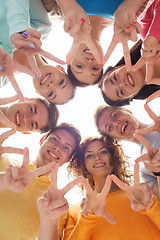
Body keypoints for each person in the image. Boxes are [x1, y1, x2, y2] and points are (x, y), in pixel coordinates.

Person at [37, 136, 160, 240]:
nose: (97, 157)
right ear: (83, 164)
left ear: (113, 156)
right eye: (89, 156)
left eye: (103, 152)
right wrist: (87, 219)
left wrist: (152, 207)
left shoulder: (143, 194)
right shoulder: (76, 210)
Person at [0, 122, 81, 240]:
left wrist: (49, 219)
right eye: (54, 139)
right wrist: (4, 180)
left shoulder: (56, 203)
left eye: (66, 148)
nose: (57, 147)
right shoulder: (5, 162)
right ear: (42, 140)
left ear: (68, 159)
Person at [41, 0, 146, 87]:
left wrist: (66, 3)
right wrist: (132, 4)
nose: (88, 62)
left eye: (79, 66)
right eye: (95, 68)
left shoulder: (56, 9)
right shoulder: (129, 18)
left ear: (69, 57)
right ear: (103, 62)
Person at [99, 0, 160, 107]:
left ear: (119, 67)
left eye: (115, 78)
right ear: (134, 95)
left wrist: (153, 38)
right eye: (122, 92)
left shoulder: (144, 30)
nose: (122, 83)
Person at [95, 104, 160, 196]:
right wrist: (158, 171)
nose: (115, 123)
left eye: (115, 115)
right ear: (115, 139)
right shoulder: (143, 168)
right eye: (109, 128)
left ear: (127, 111)